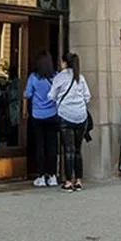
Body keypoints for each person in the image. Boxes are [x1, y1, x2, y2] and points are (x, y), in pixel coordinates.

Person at [49, 53, 92, 192]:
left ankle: (68, 182)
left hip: (66, 116)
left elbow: (52, 96)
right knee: (78, 150)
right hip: (81, 116)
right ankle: (78, 180)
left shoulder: (60, 77)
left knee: (68, 149)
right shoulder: (81, 77)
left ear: (65, 63)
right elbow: (87, 96)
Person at [25, 52, 58, 187]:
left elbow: (27, 94)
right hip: (52, 114)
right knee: (52, 146)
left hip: (37, 115)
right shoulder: (55, 77)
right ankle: (53, 175)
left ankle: (41, 176)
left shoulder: (33, 77)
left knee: (40, 146)